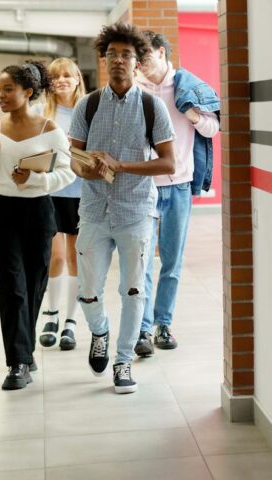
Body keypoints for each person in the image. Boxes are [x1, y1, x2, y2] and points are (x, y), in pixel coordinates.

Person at [69, 22, 175, 394]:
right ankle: (99, 331)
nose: (118, 60)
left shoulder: (152, 106)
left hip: (135, 212)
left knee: (133, 291)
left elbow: (168, 163)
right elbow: (74, 160)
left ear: (137, 62)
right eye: (111, 54)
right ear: (104, 59)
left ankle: (124, 359)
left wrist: (120, 165)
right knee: (87, 289)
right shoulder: (88, 104)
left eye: (126, 55)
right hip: (94, 211)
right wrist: (90, 168)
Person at [0, 61, 76, 390]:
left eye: (8, 90)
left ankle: (25, 347)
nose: (1, 96)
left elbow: (68, 172)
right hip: (2, 212)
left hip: (39, 211)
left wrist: (35, 178)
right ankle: (17, 362)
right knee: (11, 288)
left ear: (27, 92)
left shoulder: (49, 129)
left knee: (33, 286)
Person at [133, 30, 220, 356]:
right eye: (135, 59)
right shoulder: (134, 91)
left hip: (179, 186)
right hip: (143, 188)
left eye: (143, 56)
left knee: (171, 261)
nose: (139, 64)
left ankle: (162, 325)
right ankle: (141, 329)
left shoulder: (187, 87)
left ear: (159, 51)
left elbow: (213, 129)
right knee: (141, 262)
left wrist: (191, 113)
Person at [36, 58, 86, 352]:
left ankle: (71, 321)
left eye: (68, 75)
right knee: (54, 258)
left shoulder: (88, 111)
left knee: (76, 257)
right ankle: (51, 315)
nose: (62, 80)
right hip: (51, 194)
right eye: (56, 77)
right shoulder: (41, 112)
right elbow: (34, 153)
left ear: (78, 79)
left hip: (81, 195)